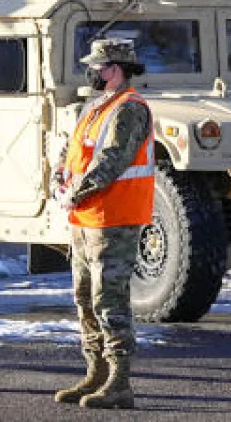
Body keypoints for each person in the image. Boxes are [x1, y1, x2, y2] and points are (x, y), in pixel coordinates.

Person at [50, 37, 155, 410]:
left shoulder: (130, 109)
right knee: (84, 297)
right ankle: (95, 372)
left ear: (116, 69)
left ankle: (119, 381)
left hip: (114, 218)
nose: (91, 72)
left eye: (97, 66)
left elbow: (111, 160)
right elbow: (70, 152)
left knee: (108, 299)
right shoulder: (95, 107)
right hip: (86, 217)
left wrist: (74, 193)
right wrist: (58, 180)